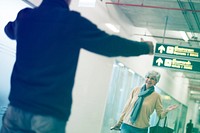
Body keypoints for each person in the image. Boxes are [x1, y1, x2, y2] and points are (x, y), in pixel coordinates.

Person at [1, 0, 155, 133]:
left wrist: (23, 27)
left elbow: (9, 30)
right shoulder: (71, 22)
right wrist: (144, 47)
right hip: (49, 114)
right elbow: (109, 45)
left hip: (16, 109)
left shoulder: (26, 16)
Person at [110, 70, 178, 133]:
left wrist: (167, 110)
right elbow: (126, 107)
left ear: (156, 82)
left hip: (141, 129)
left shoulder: (156, 96)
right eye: (148, 77)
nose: (149, 80)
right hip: (127, 125)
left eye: (152, 79)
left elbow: (160, 115)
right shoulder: (136, 90)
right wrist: (119, 122)